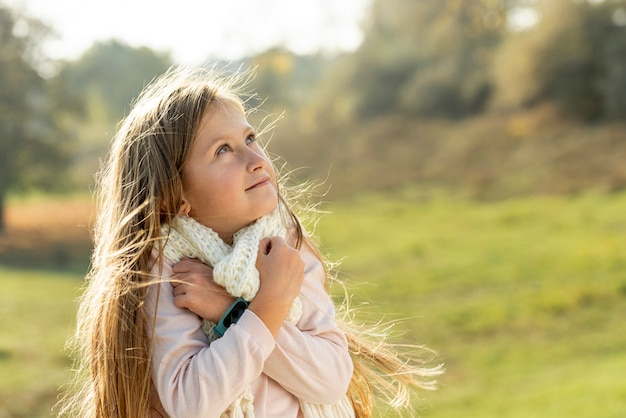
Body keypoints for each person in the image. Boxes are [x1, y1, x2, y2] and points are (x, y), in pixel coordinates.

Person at [57, 66, 442, 418]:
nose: (255, 158)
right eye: (222, 150)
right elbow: (190, 402)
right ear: (175, 196)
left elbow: (329, 380)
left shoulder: (285, 247)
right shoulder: (165, 269)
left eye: (250, 138)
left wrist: (233, 312)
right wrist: (267, 308)